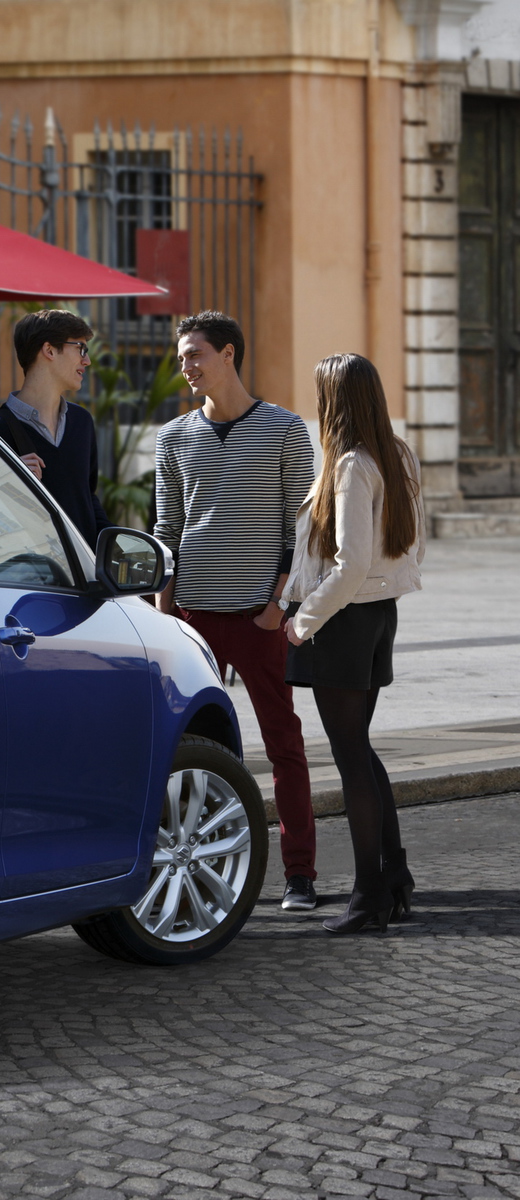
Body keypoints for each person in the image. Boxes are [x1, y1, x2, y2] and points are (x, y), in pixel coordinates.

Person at [153, 311, 320, 912]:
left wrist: (277, 605)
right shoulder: (173, 436)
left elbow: (301, 531)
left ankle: (300, 873)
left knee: (283, 743)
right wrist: (165, 617)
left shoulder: (284, 429)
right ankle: (193, 866)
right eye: (181, 358)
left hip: (258, 619)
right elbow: (167, 532)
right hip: (192, 621)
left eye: (195, 354)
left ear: (228, 354)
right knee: (184, 751)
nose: (186, 367)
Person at [283, 354, 424, 934]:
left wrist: (303, 620)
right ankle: (394, 877)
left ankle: (369, 899)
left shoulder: (349, 464)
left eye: (321, 394)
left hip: (342, 622)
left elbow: (351, 562)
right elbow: (413, 545)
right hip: (378, 616)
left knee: (351, 759)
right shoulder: (397, 453)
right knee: (360, 750)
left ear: (334, 400)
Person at [0, 309, 111, 545]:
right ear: (49, 350)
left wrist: (114, 543)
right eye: (80, 349)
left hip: (83, 565)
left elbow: (86, 497)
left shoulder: (82, 421)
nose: (87, 360)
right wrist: (11, 480)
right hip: (29, 566)